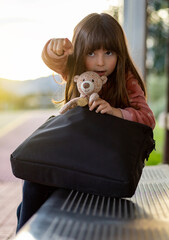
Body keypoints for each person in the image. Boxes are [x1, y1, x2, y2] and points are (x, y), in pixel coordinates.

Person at [16, 12, 155, 232]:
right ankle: (25, 231)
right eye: (91, 53)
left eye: (108, 52)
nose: (100, 62)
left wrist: (116, 112)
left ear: (120, 54)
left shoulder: (126, 78)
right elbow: (55, 60)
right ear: (80, 54)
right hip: (72, 156)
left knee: (40, 199)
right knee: (33, 185)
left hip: (104, 164)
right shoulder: (78, 72)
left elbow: (147, 118)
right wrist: (55, 49)